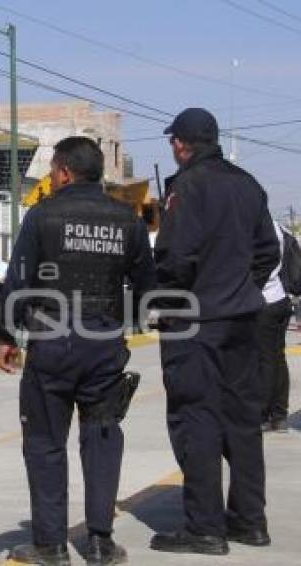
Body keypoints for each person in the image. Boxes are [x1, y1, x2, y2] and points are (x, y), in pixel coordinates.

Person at [0, 137, 156, 566]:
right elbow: (147, 287)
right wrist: (122, 321)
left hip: (51, 343)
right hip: (103, 344)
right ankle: (101, 542)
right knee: (102, 439)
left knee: (46, 443)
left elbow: (18, 282)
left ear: (65, 171)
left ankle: (49, 545)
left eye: (52, 169)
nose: (51, 176)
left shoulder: (43, 214)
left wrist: (6, 336)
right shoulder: (128, 219)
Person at [149, 108, 281, 556]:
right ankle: (249, 520)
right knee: (243, 422)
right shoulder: (248, 185)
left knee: (196, 419)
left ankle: (204, 526)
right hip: (242, 319)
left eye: (173, 142)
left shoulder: (187, 186)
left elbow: (174, 257)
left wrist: (169, 303)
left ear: (182, 144)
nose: (172, 148)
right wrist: (242, 287)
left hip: (195, 323)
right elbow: (268, 250)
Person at [257, 222, 292, 433]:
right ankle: (280, 415)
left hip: (264, 301)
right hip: (281, 298)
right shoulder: (278, 227)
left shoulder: (256, 227)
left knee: (264, 359)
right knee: (278, 357)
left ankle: (262, 414)